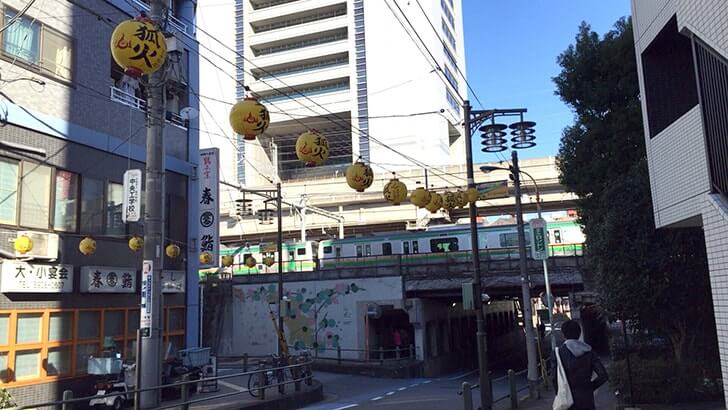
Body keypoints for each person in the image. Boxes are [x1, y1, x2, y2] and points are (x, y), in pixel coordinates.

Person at [553, 319, 608, 410]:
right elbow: (603, 375)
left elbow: (554, 378)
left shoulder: (558, 353)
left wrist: (559, 392)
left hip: (567, 399)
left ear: (563, 335)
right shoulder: (589, 352)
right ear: (579, 334)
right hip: (587, 399)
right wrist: (590, 387)